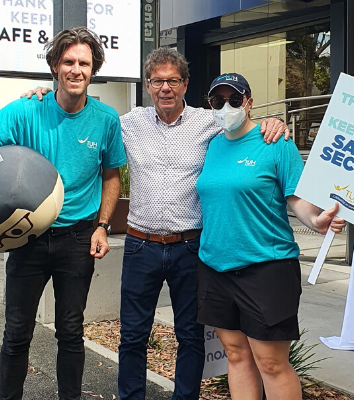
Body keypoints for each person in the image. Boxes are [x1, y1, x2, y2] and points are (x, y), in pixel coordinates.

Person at [23, 47, 288, 400]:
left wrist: (274, 122)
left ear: (185, 84)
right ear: (148, 85)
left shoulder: (209, 123)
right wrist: (42, 94)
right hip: (140, 245)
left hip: (190, 247)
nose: (166, 88)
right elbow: (88, 121)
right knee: (133, 335)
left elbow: (244, 124)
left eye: (173, 81)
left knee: (190, 336)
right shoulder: (127, 123)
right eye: (158, 81)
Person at [0, 27, 127, 400]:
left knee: (71, 332)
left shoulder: (107, 119)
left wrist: (102, 227)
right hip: (28, 236)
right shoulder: (26, 109)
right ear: (54, 66)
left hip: (78, 239)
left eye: (84, 63)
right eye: (68, 62)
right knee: (17, 332)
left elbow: (111, 177)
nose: (76, 70)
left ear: (94, 70)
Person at [195, 73, 346, 400]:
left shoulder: (276, 143)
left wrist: (316, 219)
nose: (226, 107)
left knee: (272, 363)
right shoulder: (212, 145)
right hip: (215, 267)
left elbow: (297, 198)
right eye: (217, 101)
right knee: (235, 354)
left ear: (249, 103)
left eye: (234, 100)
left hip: (267, 267)